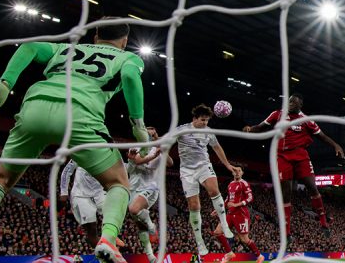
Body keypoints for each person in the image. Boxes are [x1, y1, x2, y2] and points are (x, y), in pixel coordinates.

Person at [0, 19, 149, 263]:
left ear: (95, 36)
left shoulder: (65, 48)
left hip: (35, 107)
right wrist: (137, 125)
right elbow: (130, 76)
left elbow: (29, 46)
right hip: (79, 115)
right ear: (125, 41)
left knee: (2, 180)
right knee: (117, 182)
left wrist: (4, 83)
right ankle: (108, 238)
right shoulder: (128, 58)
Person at [242, 93, 345, 239]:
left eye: (293, 102)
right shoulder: (277, 114)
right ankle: (287, 231)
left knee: (312, 186)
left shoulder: (306, 120)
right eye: (289, 101)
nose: (289, 104)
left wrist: (335, 145)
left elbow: (321, 136)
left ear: (300, 105)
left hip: (301, 156)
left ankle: (323, 222)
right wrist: (250, 129)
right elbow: (260, 127)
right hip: (282, 157)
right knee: (286, 192)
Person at [172, 104, 236, 261]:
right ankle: (200, 242)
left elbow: (217, 148)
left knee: (214, 190)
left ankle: (224, 225)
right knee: (194, 206)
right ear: (194, 119)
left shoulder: (208, 132)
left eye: (207, 120)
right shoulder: (182, 130)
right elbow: (166, 141)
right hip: (187, 171)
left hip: (204, 166)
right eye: (202, 120)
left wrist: (228, 165)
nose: (205, 123)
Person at [126, 127, 167, 263]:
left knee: (133, 209)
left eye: (151, 135)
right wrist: (132, 161)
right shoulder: (135, 148)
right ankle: (150, 256)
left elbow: (170, 163)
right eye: (146, 134)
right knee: (140, 225)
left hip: (151, 187)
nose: (148, 137)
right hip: (133, 188)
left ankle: (151, 225)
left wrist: (160, 149)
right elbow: (135, 163)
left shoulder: (156, 149)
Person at [212, 163, 264, 263]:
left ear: (242, 173)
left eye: (239, 170)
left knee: (244, 239)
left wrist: (236, 204)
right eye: (235, 170)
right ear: (232, 172)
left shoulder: (244, 183)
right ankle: (229, 253)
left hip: (241, 214)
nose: (237, 172)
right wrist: (219, 209)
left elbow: (250, 198)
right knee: (218, 232)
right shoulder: (230, 184)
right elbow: (228, 199)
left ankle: (259, 256)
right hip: (230, 214)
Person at [60, 159, 116, 248]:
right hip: (81, 194)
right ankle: (100, 250)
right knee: (91, 228)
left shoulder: (107, 154)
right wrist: (64, 192)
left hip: (99, 192)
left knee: (113, 215)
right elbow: (67, 170)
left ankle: (109, 240)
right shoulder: (80, 153)